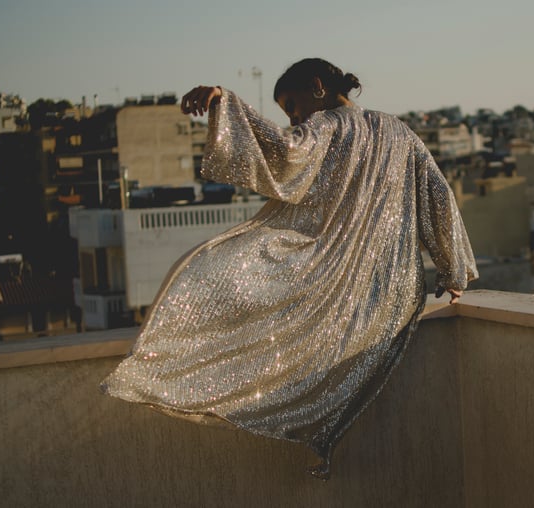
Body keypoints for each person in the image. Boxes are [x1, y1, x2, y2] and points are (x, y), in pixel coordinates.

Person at [101, 58, 478, 479]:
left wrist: (226, 102)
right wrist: (452, 272)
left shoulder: (328, 126)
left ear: (318, 86)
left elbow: (284, 151)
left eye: (294, 108)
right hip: (391, 295)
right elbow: (438, 196)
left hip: (343, 293)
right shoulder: (401, 132)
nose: (296, 119)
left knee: (211, 271)